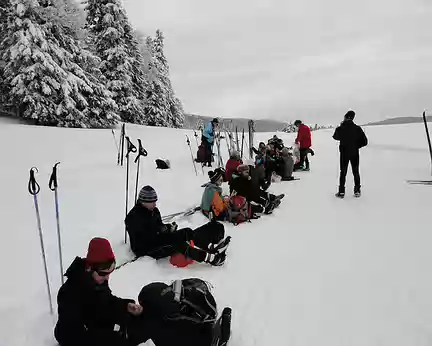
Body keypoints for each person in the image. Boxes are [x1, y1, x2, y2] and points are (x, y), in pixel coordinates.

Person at [54, 238, 148, 346]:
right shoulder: (69, 294)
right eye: (103, 274)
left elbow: (106, 301)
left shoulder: (96, 280)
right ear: (89, 268)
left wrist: (125, 306)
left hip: (92, 322)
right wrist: (113, 339)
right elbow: (72, 337)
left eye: (110, 273)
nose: (107, 278)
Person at [125, 185, 229, 266]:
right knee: (178, 244)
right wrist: (165, 233)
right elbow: (145, 237)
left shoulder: (154, 211)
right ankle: (211, 259)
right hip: (145, 248)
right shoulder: (134, 217)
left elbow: (158, 226)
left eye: (155, 201)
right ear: (144, 201)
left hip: (158, 239)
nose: (155, 204)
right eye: (152, 202)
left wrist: (167, 228)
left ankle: (208, 246)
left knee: (186, 232)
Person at [333, 110, 368, 198]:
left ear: (346, 117)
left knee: (343, 172)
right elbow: (365, 142)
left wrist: (339, 128)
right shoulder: (357, 128)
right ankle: (357, 190)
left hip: (344, 153)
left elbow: (335, 137)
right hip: (354, 153)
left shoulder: (341, 128)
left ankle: (341, 192)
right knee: (356, 171)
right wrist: (356, 146)